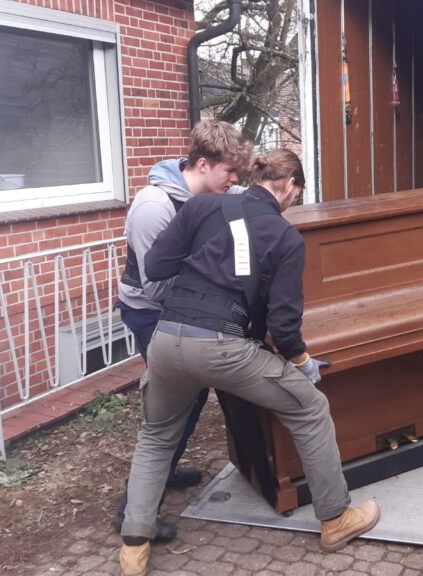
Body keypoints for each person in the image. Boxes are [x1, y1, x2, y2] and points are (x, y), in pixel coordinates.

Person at [118, 150, 380, 575]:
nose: (295, 200)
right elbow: (284, 324)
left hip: (167, 339)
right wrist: (303, 363)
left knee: (156, 435)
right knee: (310, 408)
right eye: (298, 192)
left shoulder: (202, 205)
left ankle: (133, 547)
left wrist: (205, 267)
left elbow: (157, 264)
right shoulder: (284, 236)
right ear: (291, 185)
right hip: (223, 344)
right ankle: (336, 519)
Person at [114, 120, 252, 541]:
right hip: (151, 314)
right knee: (168, 411)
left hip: (186, 310)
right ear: (204, 164)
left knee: (188, 403)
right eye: (230, 173)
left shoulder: (210, 196)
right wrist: (216, 280)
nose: (234, 183)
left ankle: (165, 471)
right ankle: (131, 513)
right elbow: (156, 285)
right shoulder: (155, 207)